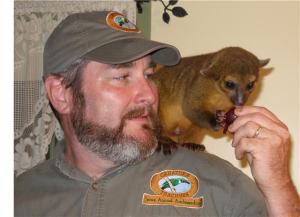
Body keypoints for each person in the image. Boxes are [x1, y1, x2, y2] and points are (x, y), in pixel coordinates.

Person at [15, 11, 299, 217]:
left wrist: (278, 185)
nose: (151, 95)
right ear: (61, 93)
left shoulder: (217, 185)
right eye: (122, 76)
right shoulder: (19, 199)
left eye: (149, 74)